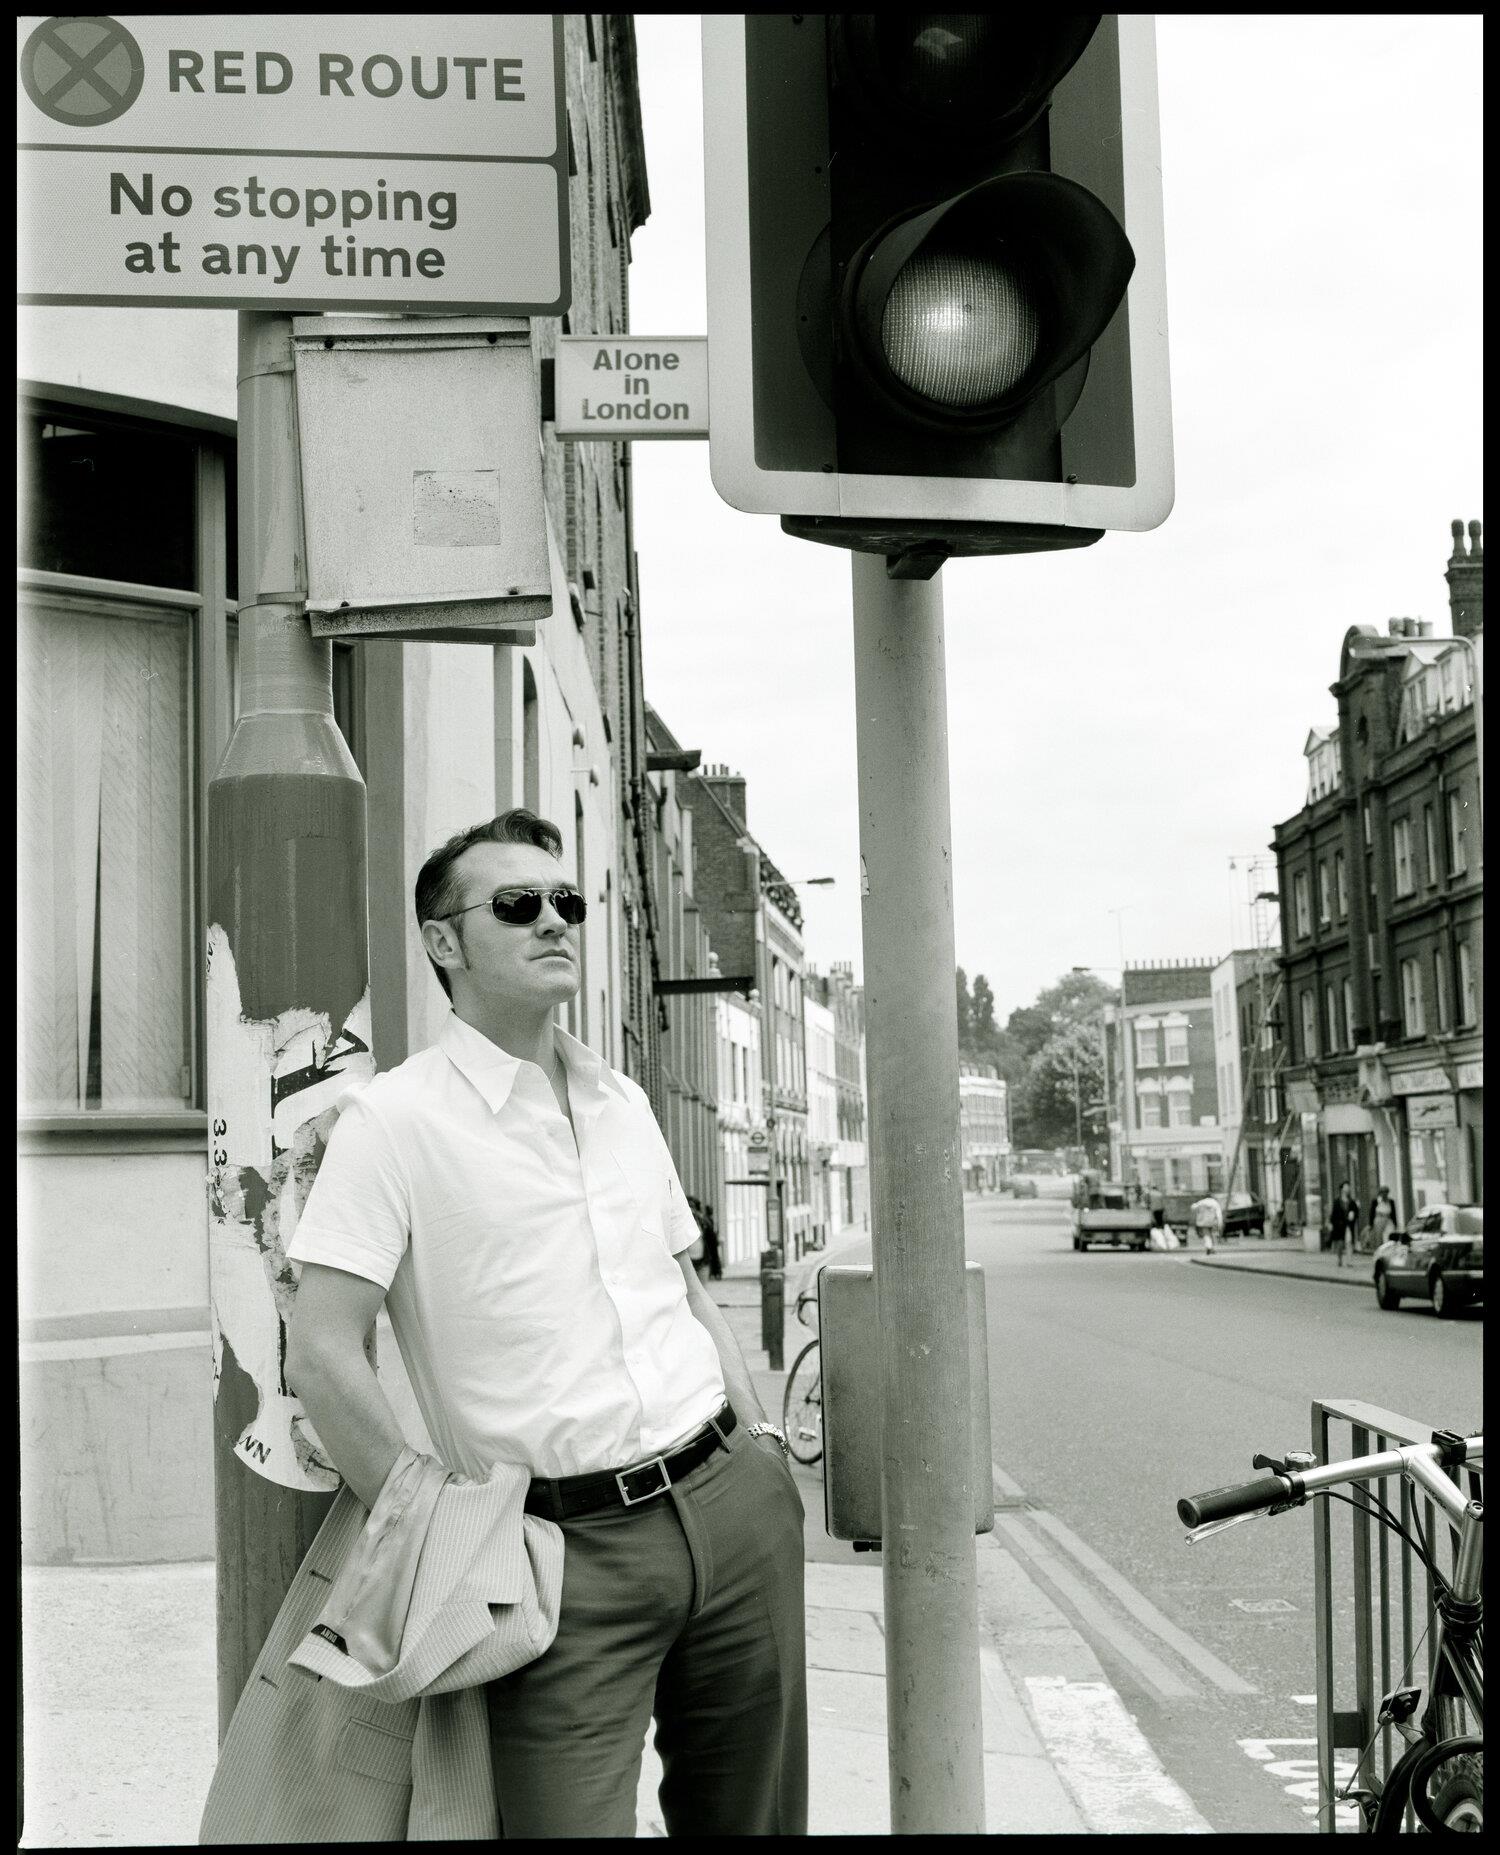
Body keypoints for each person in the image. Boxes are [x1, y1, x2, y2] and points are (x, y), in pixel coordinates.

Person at [284, 811, 807, 1839]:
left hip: (730, 1502)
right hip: (561, 1558)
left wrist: (760, 1451)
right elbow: (321, 1347)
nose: (555, 920)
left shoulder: (623, 1101)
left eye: (566, 902)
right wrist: (437, 1535)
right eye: (518, 904)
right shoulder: (395, 1122)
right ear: (445, 940)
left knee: (755, 1820)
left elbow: (682, 1289)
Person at [1329, 1180, 1358, 1268]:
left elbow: (1356, 1212)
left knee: (1349, 1243)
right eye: (1346, 1187)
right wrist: (1331, 1224)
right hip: (1339, 1225)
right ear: (1342, 1189)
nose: (1348, 1189)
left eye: (1348, 1187)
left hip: (1348, 1225)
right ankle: (1339, 1259)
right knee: (1340, 1244)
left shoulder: (1351, 1202)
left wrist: (1353, 1215)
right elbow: (1333, 1214)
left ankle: (1349, 1261)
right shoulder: (1337, 1201)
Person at [1191, 1192, 1223, 1256]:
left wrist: (1198, 1213)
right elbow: (1218, 1214)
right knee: (1213, 1235)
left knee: (1206, 1235)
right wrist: (1220, 1222)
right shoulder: (1215, 1203)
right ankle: (1212, 1248)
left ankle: (1208, 1247)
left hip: (1203, 1221)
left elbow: (1193, 1207)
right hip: (1213, 1221)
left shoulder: (1201, 1202)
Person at [699, 1198, 723, 1281]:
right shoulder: (709, 1220)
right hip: (712, 1241)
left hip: (710, 1242)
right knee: (714, 1257)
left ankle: (715, 1273)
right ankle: (716, 1273)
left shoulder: (707, 1220)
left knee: (713, 1257)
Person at [1369, 1185, 1398, 1250]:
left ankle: (1389, 1250)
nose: (1384, 1194)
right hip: (1379, 1219)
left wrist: (1395, 1224)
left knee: (1389, 1235)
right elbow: (1372, 1213)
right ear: (1380, 1193)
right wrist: (1371, 1224)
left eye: (1386, 1192)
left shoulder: (1391, 1201)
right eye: (1383, 1192)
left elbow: (1393, 1214)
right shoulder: (1376, 1201)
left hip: (1388, 1219)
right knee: (1379, 1238)